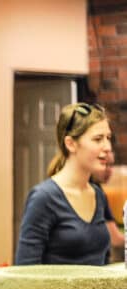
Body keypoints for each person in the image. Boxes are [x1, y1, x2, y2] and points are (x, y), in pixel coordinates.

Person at [15, 103, 115, 265]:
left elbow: (104, 262)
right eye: (98, 139)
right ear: (71, 144)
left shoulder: (98, 195)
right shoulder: (44, 198)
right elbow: (25, 271)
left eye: (108, 138)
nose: (107, 147)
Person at [90, 150, 125, 258]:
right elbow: (115, 240)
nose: (109, 170)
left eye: (111, 165)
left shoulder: (99, 191)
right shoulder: (94, 192)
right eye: (104, 164)